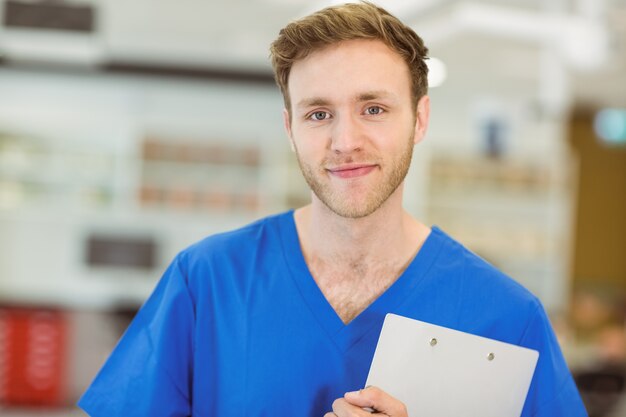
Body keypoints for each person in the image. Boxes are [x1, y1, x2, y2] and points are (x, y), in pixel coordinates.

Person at [78, 2, 588, 416]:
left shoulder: (506, 318)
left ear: (420, 118)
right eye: (319, 113)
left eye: (373, 109)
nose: (345, 141)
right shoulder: (208, 282)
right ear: (290, 129)